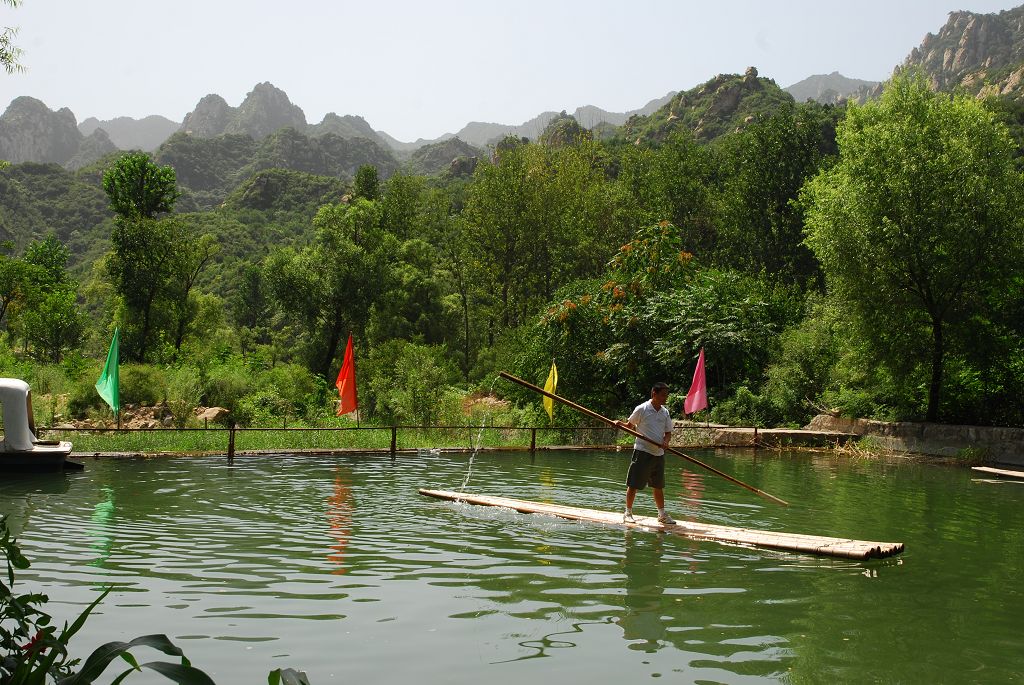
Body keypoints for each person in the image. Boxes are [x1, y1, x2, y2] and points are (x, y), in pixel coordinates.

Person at [616, 382, 675, 524]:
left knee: (658, 485)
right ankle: (628, 513)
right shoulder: (642, 409)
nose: (665, 398)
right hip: (642, 451)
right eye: (662, 395)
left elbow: (668, 432)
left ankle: (662, 514)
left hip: (658, 453)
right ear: (653, 393)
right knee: (634, 483)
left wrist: (666, 442)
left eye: (666, 396)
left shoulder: (664, 412)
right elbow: (629, 426)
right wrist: (619, 424)